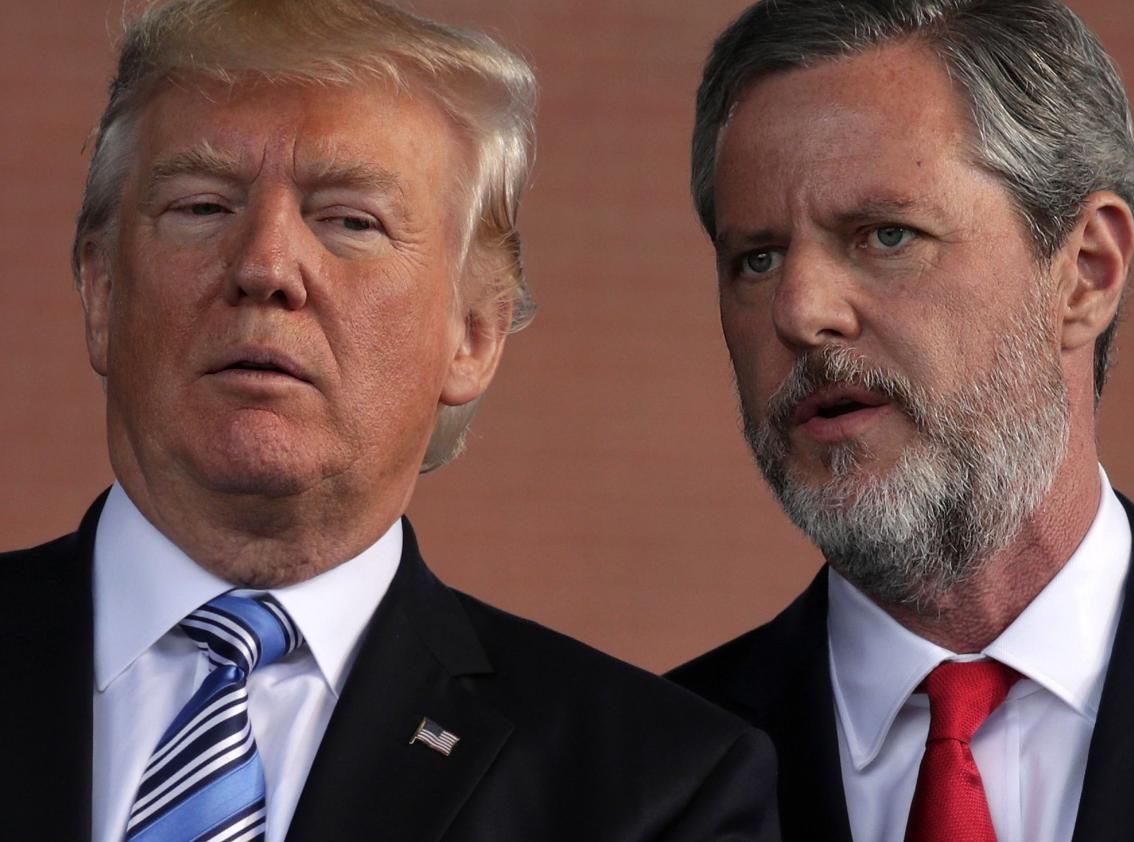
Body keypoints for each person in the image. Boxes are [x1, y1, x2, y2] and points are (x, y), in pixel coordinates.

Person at [1, 1, 780, 840]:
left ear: (473, 336)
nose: (265, 265)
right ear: (101, 293)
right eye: (201, 207)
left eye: (349, 221)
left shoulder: (656, 787)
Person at [668, 1, 1134, 840]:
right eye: (755, 258)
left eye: (885, 235)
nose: (799, 310)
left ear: (1083, 272)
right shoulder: (647, 769)